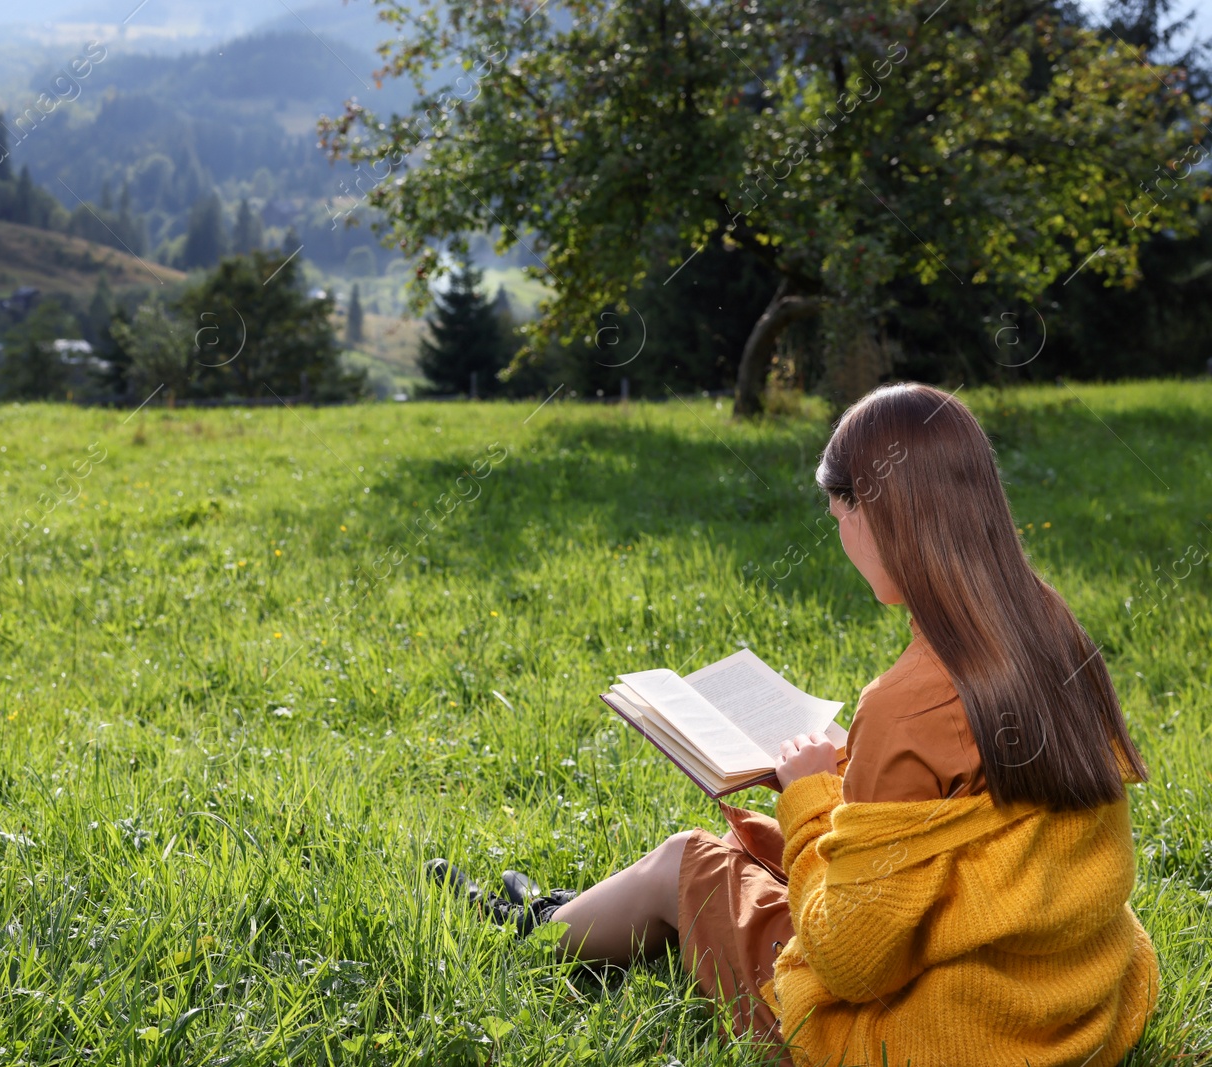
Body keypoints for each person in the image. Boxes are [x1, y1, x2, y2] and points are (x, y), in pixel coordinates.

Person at [429, 383, 1159, 1066]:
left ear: (873, 509)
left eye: (840, 508)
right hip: (1060, 1000)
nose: (840, 530)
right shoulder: (1052, 628)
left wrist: (810, 799)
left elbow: (849, 955)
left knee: (689, 861)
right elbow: (952, 832)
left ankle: (524, 938)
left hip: (931, 1028)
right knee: (750, 843)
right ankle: (559, 911)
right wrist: (845, 780)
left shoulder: (906, 698)